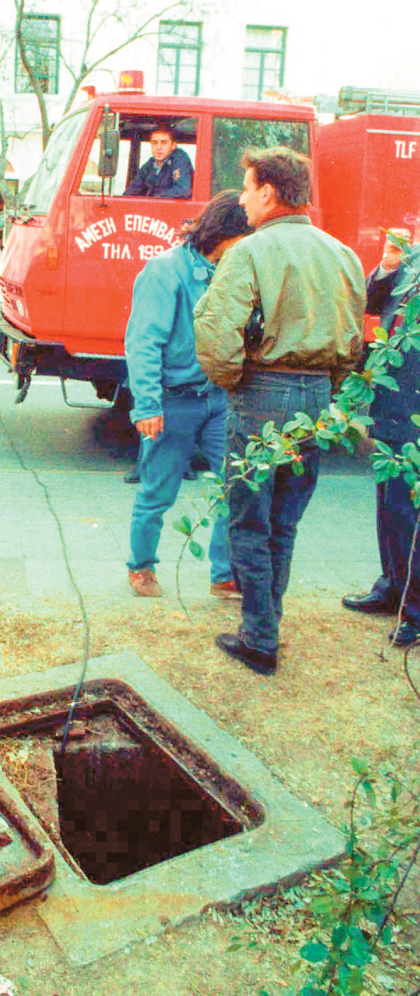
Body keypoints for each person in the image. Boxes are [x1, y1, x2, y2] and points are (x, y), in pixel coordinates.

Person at [194, 147, 366, 674]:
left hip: (263, 391)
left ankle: (260, 638)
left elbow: (216, 330)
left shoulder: (250, 251)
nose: (241, 199)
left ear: (268, 191)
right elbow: (353, 341)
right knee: (284, 521)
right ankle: (267, 626)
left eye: (246, 188)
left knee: (249, 519)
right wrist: (325, 386)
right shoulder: (343, 254)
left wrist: (234, 379)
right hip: (316, 396)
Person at [125, 191, 250, 598]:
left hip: (219, 399)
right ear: (225, 234)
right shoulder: (165, 272)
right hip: (173, 400)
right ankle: (141, 567)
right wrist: (147, 404)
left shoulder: (232, 268)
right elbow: (143, 341)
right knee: (157, 492)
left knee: (237, 484)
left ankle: (223, 575)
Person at [341, 229, 420, 648]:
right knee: (390, 502)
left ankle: (416, 611)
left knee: (412, 510)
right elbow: (371, 304)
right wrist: (389, 266)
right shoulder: (411, 260)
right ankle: (391, 586)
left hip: (417, 407)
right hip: (393, 403)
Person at [125, 127, 194, 198]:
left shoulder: (179, 159)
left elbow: (182, 190)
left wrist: (154, 198)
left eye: (164, 143)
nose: (158, 147)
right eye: (154, 143)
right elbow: (132, 190)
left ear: (173, 145)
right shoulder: (149, 165)